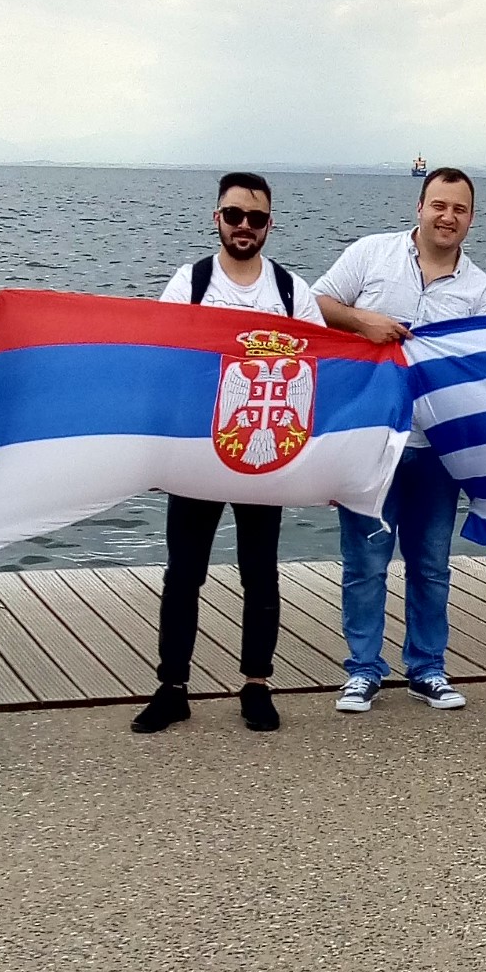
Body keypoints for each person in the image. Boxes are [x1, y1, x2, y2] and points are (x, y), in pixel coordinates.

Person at [131, 172, 324, 738]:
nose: (245, 226)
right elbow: (161, 359)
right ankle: (172, 687)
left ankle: (257, 684)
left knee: (260, 571)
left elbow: (325, 362)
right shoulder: (189, 282)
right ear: (217, 218)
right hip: (197, 453)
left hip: (264, 451)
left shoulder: (290, 291)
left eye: (256, 218)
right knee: (183, 573)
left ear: (270, 225)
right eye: (234, 215)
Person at [315, 168, 486, 710]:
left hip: (436, 450)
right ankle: (362, 669)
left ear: (471, 219)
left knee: (431, 566)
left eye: (459, 209)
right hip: (370, 443)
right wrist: (361, 321)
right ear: (420, 207)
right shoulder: (371, 254)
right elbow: (315, 304)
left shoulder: (479, 288)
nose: (448, 217)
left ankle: (428, 667)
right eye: (439, 205)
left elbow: (482, 370)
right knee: (366, 564)